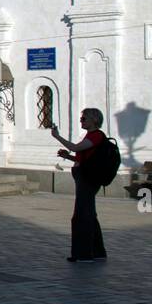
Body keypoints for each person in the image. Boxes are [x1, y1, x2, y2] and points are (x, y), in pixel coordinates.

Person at [51, 107, 108, 262]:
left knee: (81, 215)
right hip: (84, 177)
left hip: (87, 180)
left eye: (84, 119)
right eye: (81, 118)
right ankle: (97, 252)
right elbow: (83, 159)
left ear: (94, 120)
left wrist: (57, 136)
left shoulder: (96, 136)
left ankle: (84, 254)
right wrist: (67, 157)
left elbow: (75, 148)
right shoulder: (90, 136)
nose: (81, 121)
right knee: (89, 214)